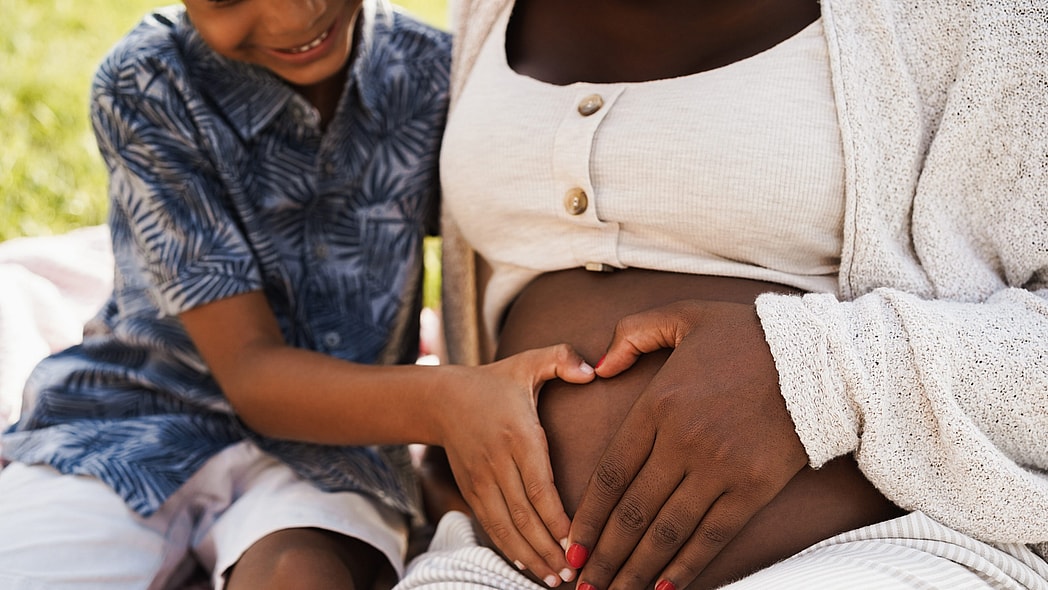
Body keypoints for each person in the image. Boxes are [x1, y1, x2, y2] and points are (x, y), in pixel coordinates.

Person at [398, 0, 1048, 588]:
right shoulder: (485, 12)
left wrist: (819, 370)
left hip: (884, 552)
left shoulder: (987, 19)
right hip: (502, 566)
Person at [0, 0, 598, 588]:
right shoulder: (148, 81)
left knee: (299, 576)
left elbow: (514, 239)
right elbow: (250, 372)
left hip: (339, 445)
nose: (294, 17)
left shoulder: (435, 74)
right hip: (133, 418)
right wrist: (451, 405)